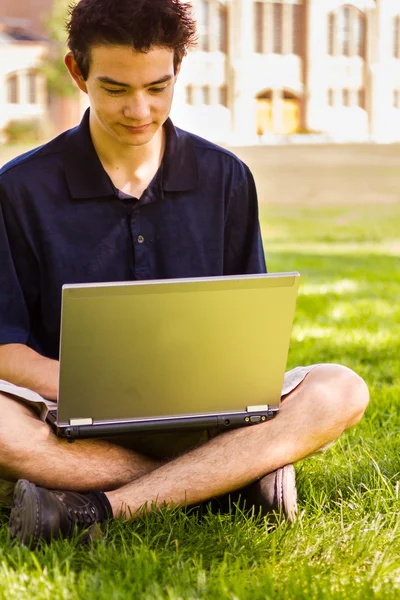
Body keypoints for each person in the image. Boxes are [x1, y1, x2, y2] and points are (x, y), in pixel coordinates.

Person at [0, 0, 369, 547]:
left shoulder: (228, 178)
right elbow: (5, 349)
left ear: (178, 71)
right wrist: (100, 391)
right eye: (116, 89)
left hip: (206, 414)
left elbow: (250, 335)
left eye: (157, 86)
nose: (140, 109)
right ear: (77, 73)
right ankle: (232, 482)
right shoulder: (18, 190)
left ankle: (92, 508)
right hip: (69, 416)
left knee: (341, 389)